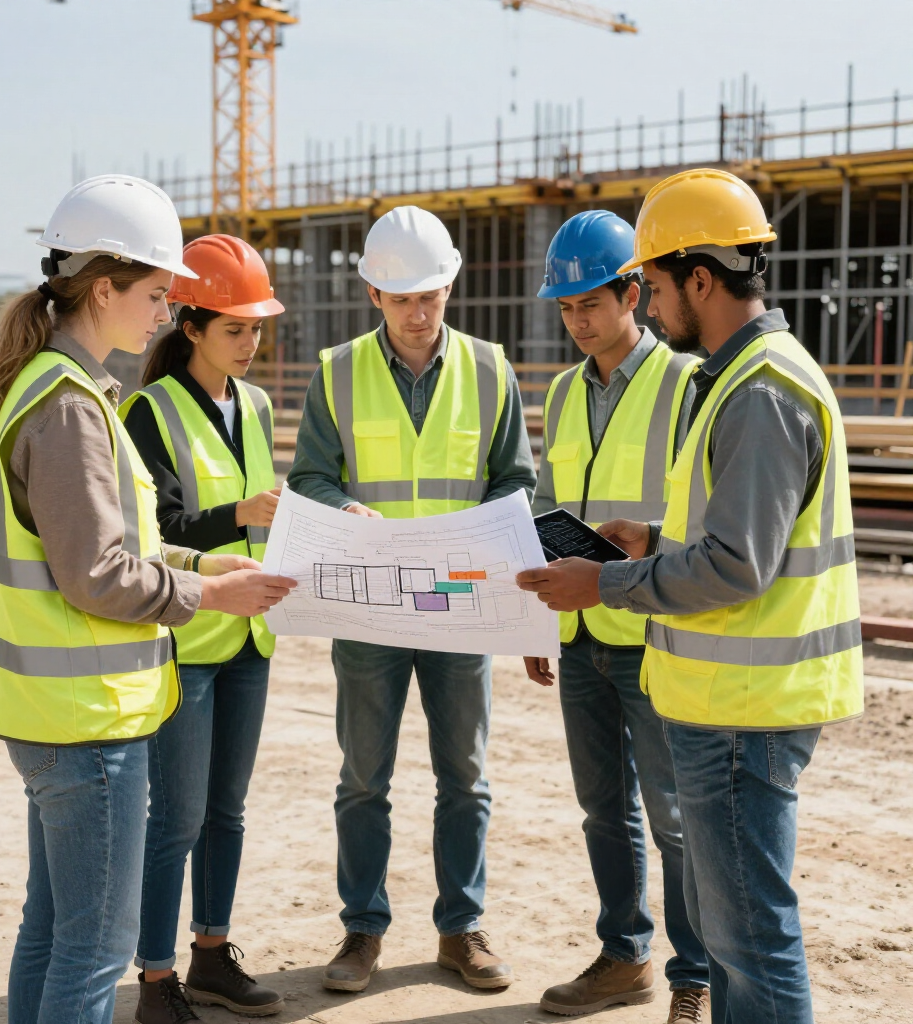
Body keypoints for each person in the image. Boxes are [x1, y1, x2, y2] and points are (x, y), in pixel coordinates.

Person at [516, 168, 863, 1024]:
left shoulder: (759, 392)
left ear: (699, 279)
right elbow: (733, 544)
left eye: (659, 286)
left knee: (750, 940)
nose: (657, 304)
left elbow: (739, 568)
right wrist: (654, 541)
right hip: (725, 698)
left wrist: (606, 580)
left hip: (746, 709)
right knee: (744, 934)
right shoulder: (741, 380)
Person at [0, 176, 296, 1024]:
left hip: (52, 715)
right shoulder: (71, 408)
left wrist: (208, 573)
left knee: (52, 928)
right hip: (89, 724)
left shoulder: (50, 388)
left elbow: (123, 546)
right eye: (153, 293)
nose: (162, 312)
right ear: (102, 288)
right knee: (93, 950)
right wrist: (210, 594)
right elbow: (99, 576)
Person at [288, 205, 536, 993]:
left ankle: (461, 929)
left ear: (451, 284)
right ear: (372, 293)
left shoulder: (491, 369)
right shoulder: (336, 372)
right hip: (370, 606)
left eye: (430, 294)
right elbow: (310, 478)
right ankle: (362, 931)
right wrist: (341, 508)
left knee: (465, 774)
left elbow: (516, 483)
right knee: (364, 776)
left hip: (460, 603)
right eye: (403, 299)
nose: (419, 312)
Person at [526, 210, 709, 1022]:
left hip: (651, 633)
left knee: (673, 817)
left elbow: (705, 518)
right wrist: (537, 622)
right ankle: (624, 954)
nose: (578, 321)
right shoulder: (564, 392)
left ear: (633, 292)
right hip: (578, 635)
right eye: (565, 309)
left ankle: (694, 973)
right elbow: (544, 508)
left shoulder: (684, 384)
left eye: (590, 304)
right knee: (604, 809)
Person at [120, 235, 286, 1022]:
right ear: (190, 326)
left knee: (228, 811)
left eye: (257, 328)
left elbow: (265, 523)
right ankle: (156, 980)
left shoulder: (254, 406)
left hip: (250, 641)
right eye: (235, 329)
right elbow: (157, 532)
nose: (250, 344)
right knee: (175, 819)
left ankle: (212, 955)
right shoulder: (146, 411)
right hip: (188, 642)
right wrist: (239, 516)